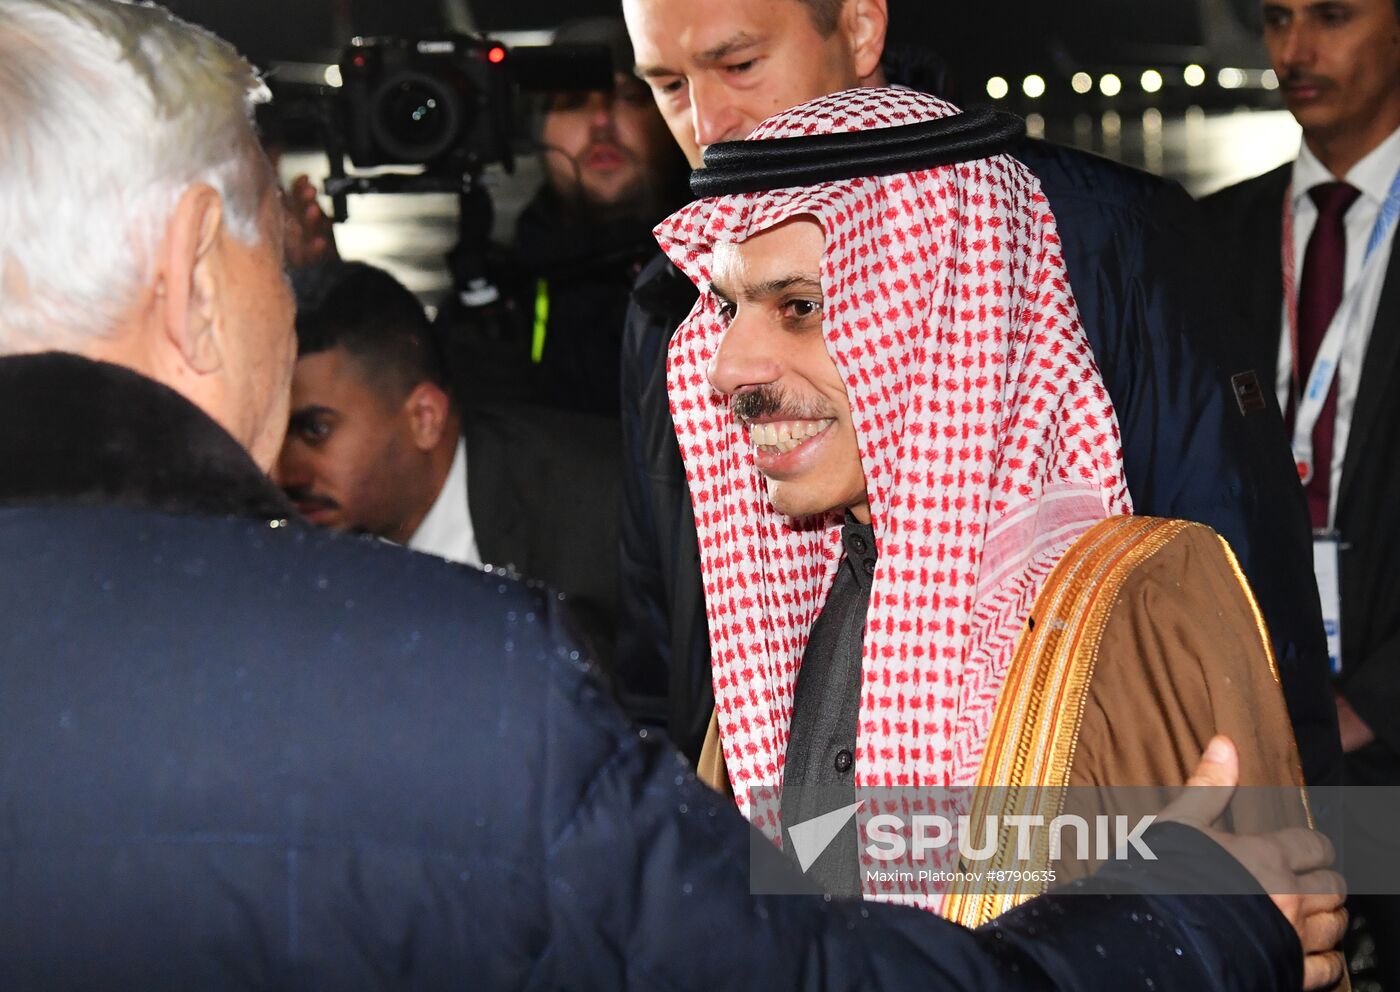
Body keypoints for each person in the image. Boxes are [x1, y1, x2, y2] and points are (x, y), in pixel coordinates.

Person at [0, 1, 1346, 988]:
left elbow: (1305, 829)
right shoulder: (739, 603)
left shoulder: (1133, 570)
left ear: (946, 311)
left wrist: (1267, 875)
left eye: (806, 309)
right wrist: (1190, 903)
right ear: (186, 272)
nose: (732, 370)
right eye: (725, 309)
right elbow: (785, 867)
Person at [615, 0, 1342, 792]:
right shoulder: (665, 316)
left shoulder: (1101, 244)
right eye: (666, 84)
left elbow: (1245, 699)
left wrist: (1301, 870)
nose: (709, 120)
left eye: (739, 63)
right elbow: (663, 649)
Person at [1201, 0, 1400, 980]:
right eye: (1275, 19)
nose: (1293, 49)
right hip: (1250, 736)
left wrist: (1365, 702)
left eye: (1328, 15)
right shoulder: (1203, 238)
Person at [274, 261, 622, 663]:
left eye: (315, 430)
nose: (285, 472)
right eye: (274, 430)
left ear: (424, 418)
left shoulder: (597, 514)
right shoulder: (284, 545)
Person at [438, 17, 688, 417]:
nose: (601, 122)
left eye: (627, 97)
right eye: (572, 102)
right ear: (537, 132)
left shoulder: (725, 271)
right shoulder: (499, 300)